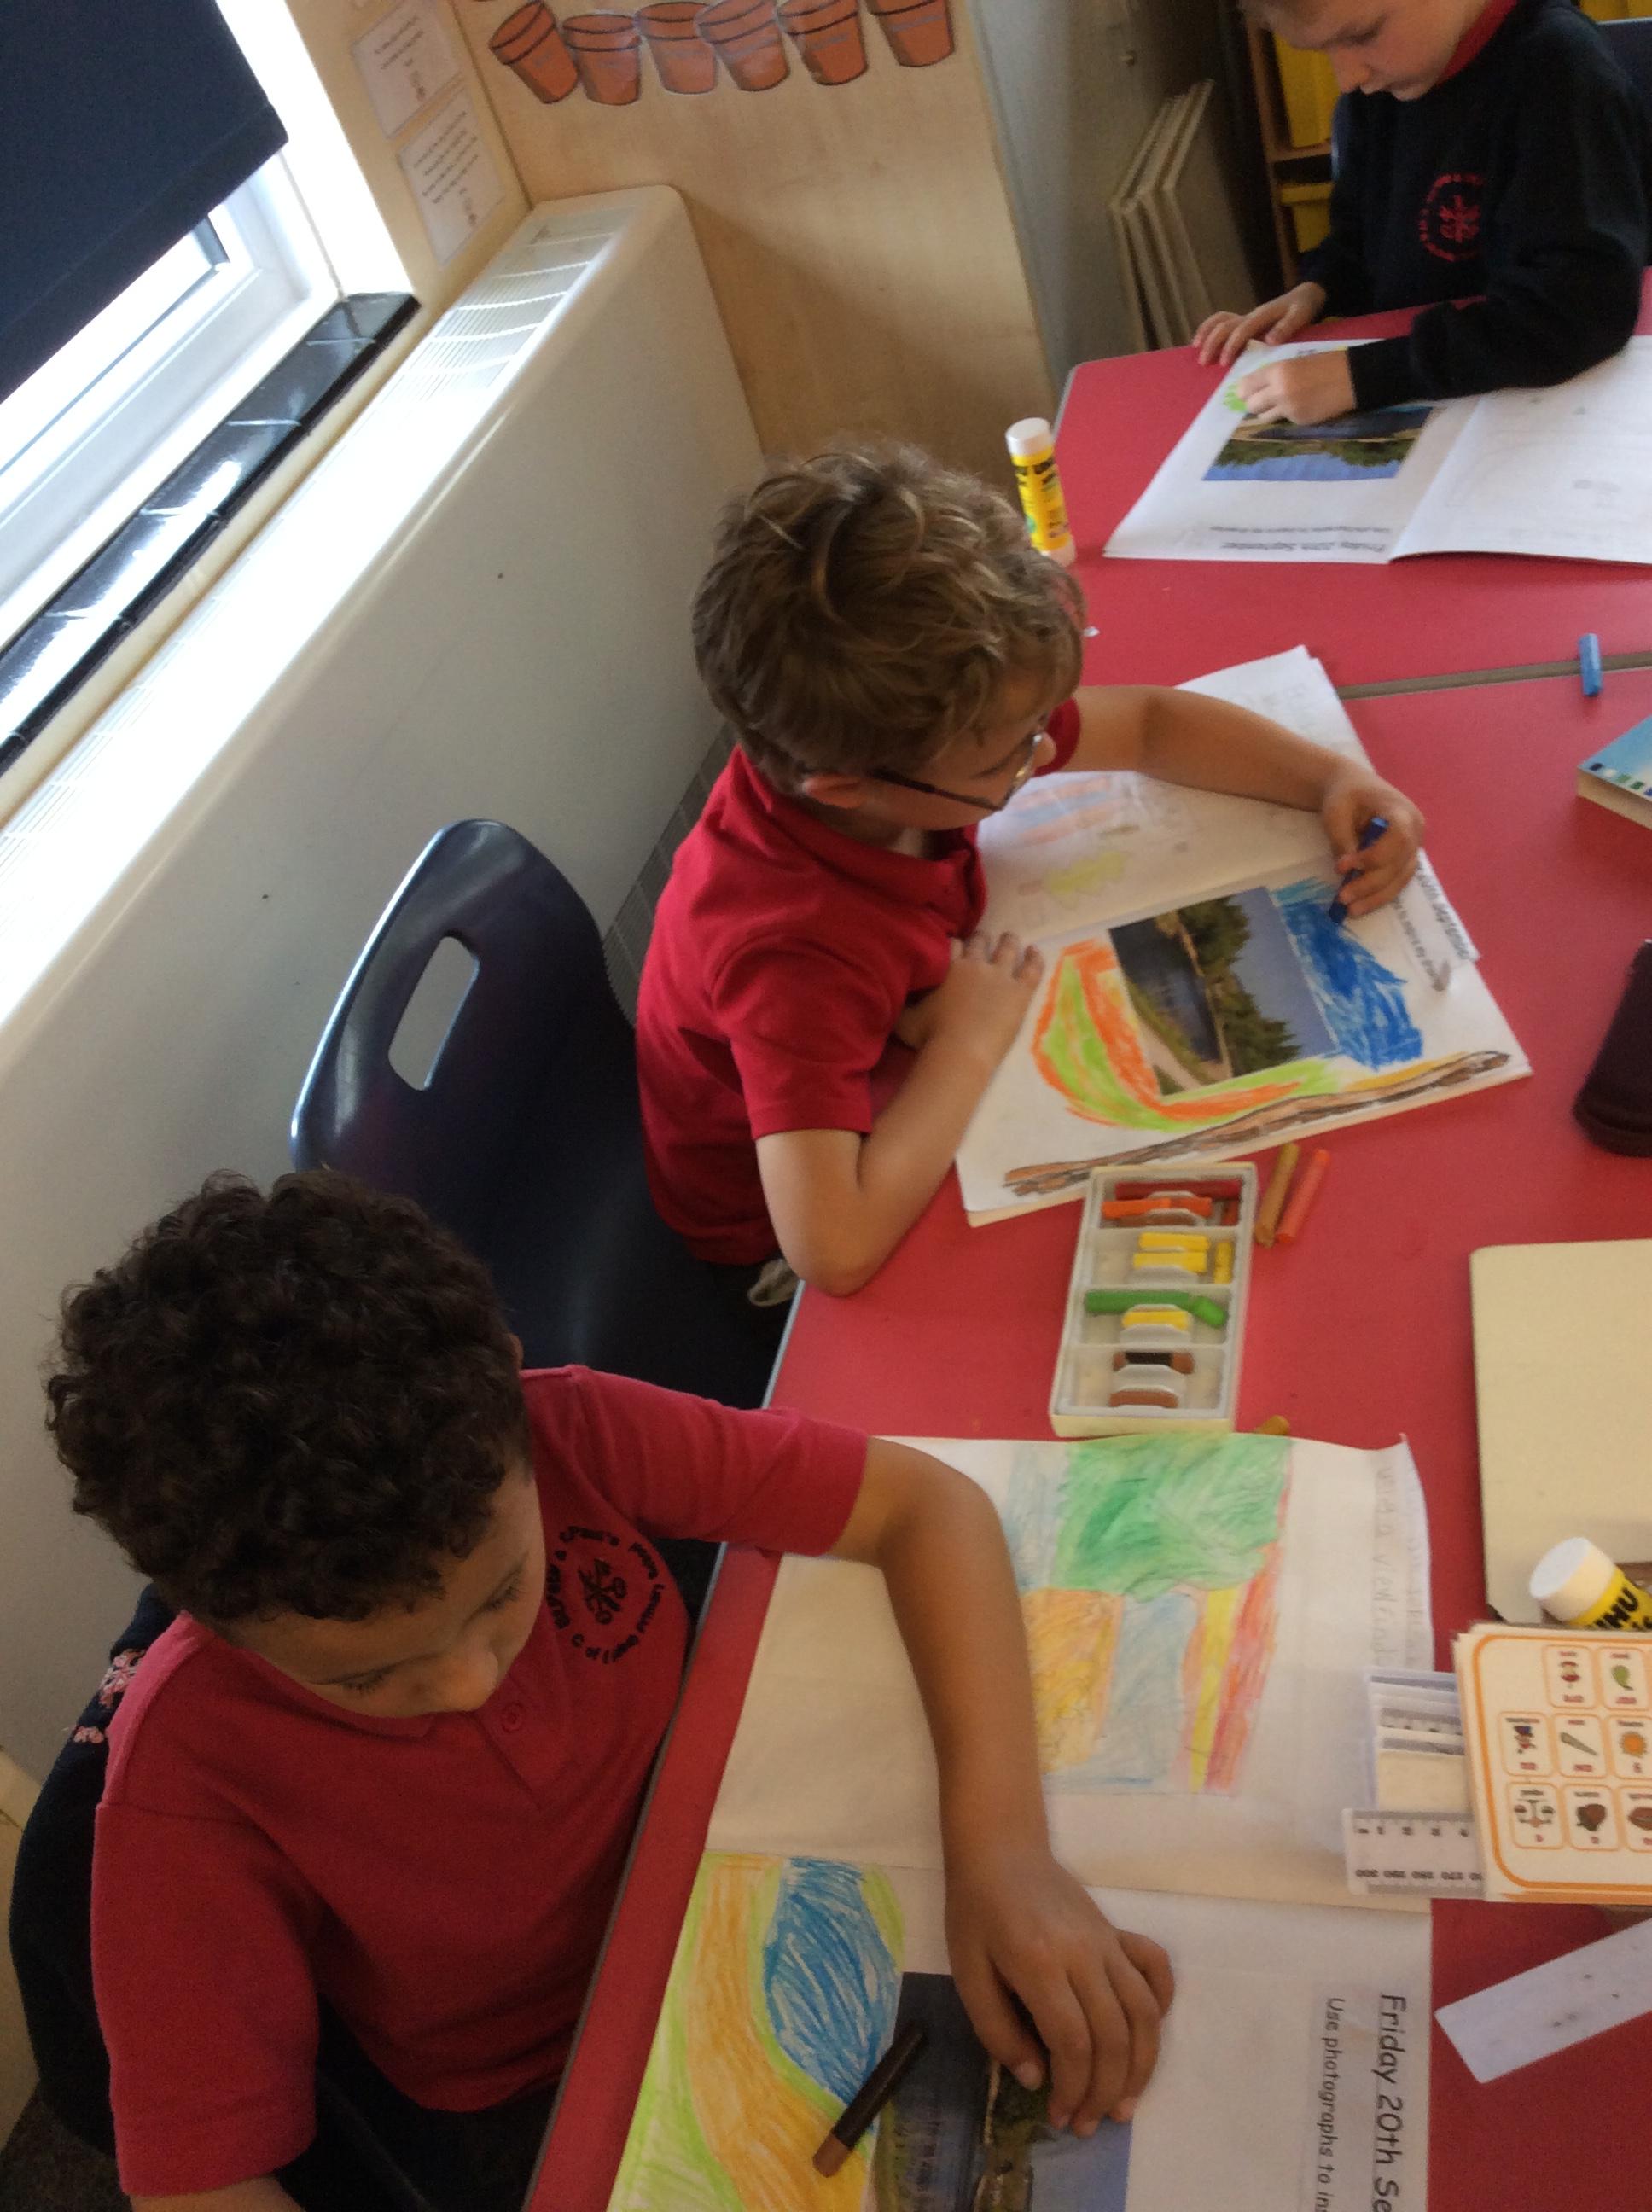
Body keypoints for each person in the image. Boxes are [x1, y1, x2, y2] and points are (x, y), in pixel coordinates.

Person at [50, 1169, 1175, 2212]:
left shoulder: (569, 1432)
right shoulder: (185, 1783)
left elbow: (926, 1506)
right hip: (541, 2087)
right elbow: (197, 2189)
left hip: (734, 1868)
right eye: (367, 1676)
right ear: (210, 1617)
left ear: (509, 1383)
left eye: (503, 1594)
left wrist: (1003, 1850)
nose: (468, 1684)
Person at [636, 442, 1422, 1297]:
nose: (1044, 754)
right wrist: (965, 1043)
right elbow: (833, 1249)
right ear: (847, 787)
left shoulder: (896, 743)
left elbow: (1150, 726)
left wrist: (1332, 780)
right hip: (770, 1233)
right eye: (1008, 761)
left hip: (869, 1069)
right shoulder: (791, 954)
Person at [1196, 0, 1652, 425]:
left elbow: (1581, 309)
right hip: (1441, 396)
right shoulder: (1385, 85)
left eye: (1361, 35)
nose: (1347, 78)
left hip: (1556, 405)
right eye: (1323, 50)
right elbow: (1359, 235)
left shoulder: (1562, 74)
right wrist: (1317, 288)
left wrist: (1364, 376)